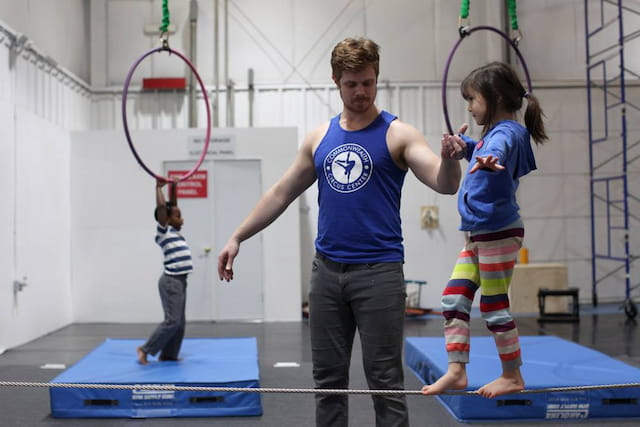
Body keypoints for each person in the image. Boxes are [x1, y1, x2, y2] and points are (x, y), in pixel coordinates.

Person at [217, 37, 463, 426]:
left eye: (368, 82)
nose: (361, 91)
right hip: (327, 275)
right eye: (352, 84)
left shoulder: (398, 134)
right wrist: (237, 236)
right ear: (336, 81)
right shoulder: (319, 138)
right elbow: (281, 192)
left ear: (376, 78)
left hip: (379, 274)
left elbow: (444, 183)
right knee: (328, 384)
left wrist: (450, 161)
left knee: (386, 383)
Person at [421, 61, 548, 399]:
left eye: (473, 99)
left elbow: (497, 149)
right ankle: (457, 370)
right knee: (454, 298)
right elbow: (484, 150)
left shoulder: (506, 133)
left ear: (494, 97)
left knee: (493, 306)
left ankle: (512, 375)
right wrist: (466, 148)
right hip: (479, 236)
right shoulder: (493, 135)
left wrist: (487, 156)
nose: (469, 106)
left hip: (498, 234)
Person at [137, 178, 193, 365]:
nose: (182, 219)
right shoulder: (164, 232)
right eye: (178, 216)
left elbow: (172, 205)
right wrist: (158, 188)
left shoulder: (175, 232)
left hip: (181, 281)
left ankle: (169, 354)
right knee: (172, 321)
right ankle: (145, 349)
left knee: (180, 324)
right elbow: (163, 208)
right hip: (171, 281)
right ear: (166, 220)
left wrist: (174, 185)